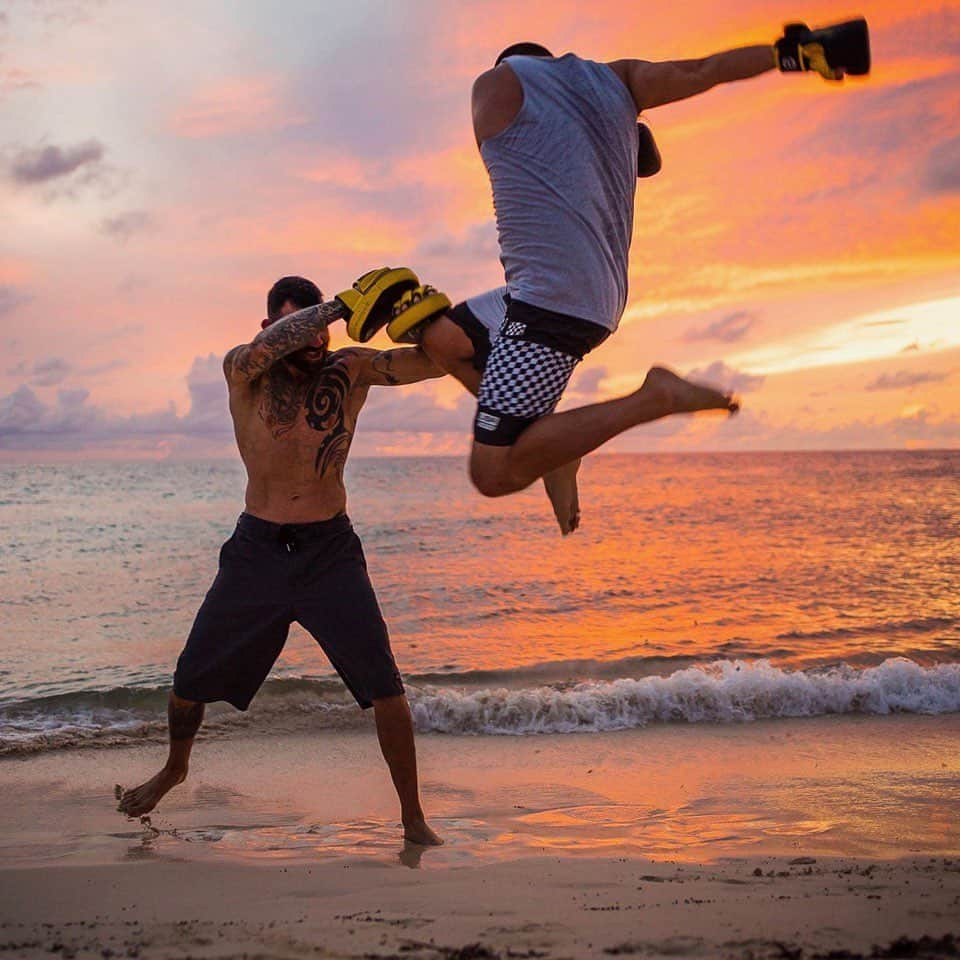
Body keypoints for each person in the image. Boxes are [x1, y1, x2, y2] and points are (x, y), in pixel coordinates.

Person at [387, 22, 869, 504]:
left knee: (493, 475)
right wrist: (796, 55)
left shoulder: (496, 84)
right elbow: (705, 70)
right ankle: (553, 446)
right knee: (446, 340)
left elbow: (516, 147)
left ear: (510, 64)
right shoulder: (619, 81)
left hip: (553, 302)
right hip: (574, 292)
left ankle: (652, 399)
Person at [118, 273, 444, 846]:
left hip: (330, 553)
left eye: (323, 331)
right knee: (189, 679)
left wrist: (445, 324)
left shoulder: (349, 370)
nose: (316, 341)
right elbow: (276, 344)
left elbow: (427, 364)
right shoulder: (242, 369)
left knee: (385, 685)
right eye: (304, 327)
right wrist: (335, 307)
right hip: (256, 553)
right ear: (272, 328)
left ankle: (413, 818)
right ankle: (175, 767)